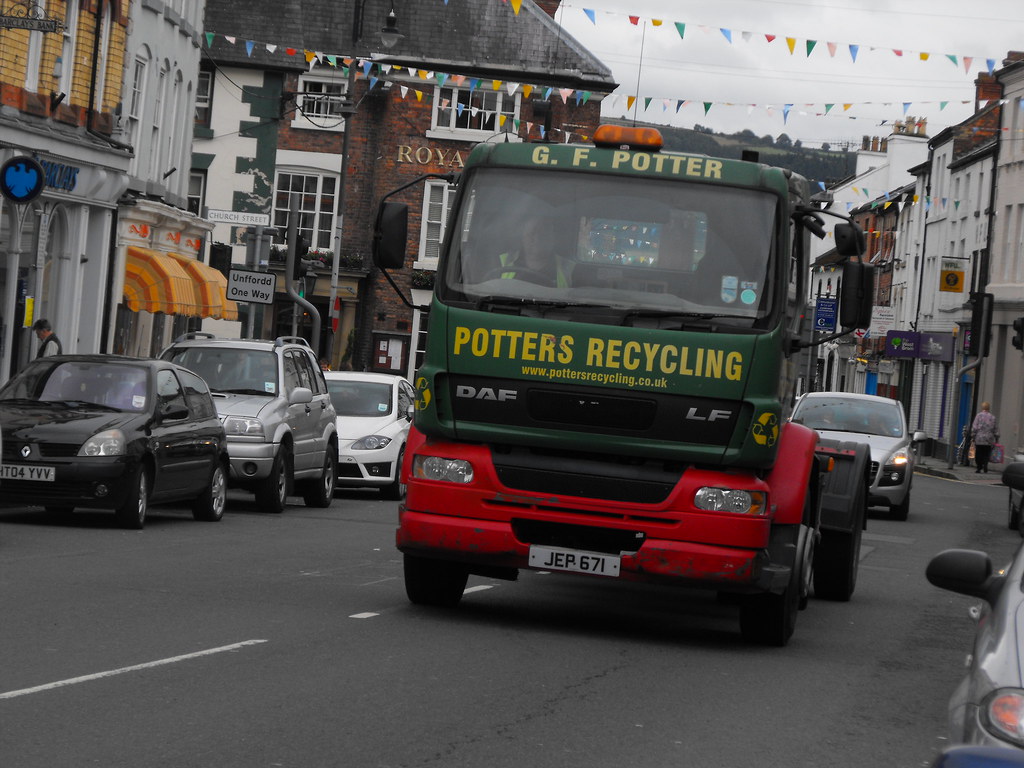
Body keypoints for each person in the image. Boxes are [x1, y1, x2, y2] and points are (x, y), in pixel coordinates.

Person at [497, 218, 570, 288]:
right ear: (523, 238)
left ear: (553, 238)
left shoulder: (571, 270)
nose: (537, 239)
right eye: (532, 233)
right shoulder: (500, 263)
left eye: (543, 234)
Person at [971, 402, 999, 474]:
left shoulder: (978, 416)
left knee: (978, 453)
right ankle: (985, 465)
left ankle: (979, 467)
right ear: (988, 408)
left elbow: (975, 427)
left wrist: (973, 435)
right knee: (986, 453)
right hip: (989, 439)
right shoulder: (992, 417)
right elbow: (995, 429)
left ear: (982, 408)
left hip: (979, 438)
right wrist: (997, 437)